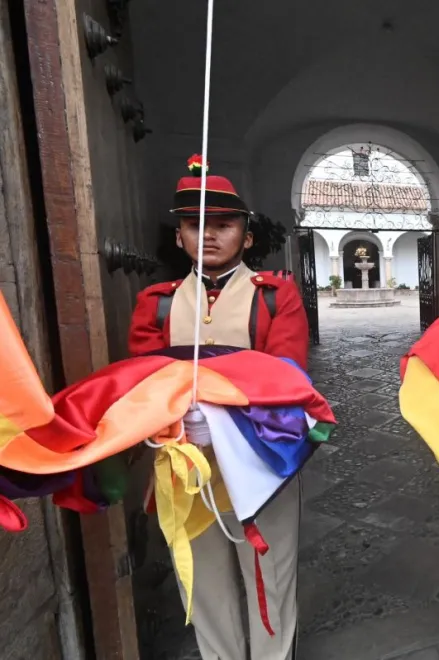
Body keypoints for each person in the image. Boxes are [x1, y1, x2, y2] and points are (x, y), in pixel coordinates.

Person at [128, 155, 309, 660]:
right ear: (180, 236)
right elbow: (141, 382)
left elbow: (287, 377)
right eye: (195, 225)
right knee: (204, 582)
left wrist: (225, 424)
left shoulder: (276, 297)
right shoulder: (157, 304)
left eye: (223, 225)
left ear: (246, 236)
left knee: (267, 575)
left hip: (261, 459)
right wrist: (166, 422)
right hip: (186, 466)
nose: (208, 235)